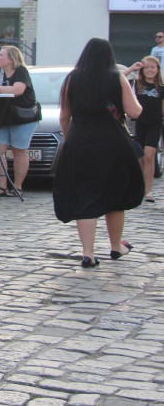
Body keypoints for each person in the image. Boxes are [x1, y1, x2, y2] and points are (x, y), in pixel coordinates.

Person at [54, 37, 143, 268]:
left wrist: (69, 137)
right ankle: (116, 247)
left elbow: (65, 115)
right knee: (116, 197)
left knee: (86, 195)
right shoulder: (117, 77)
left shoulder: (71, 80)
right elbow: (134, 111)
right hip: (114, 144)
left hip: (81, 142)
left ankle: (88, 253)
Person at [0, 45, 38, 197]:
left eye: (1, 55)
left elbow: (17, 90)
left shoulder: (21, 71)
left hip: (21, 118)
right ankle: (2, 186)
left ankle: (18, 186)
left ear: (10, 59)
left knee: (19, 151)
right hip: (2, 117)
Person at [123, 56, 162, 203]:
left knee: (149, 155)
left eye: (153, 67)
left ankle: (148, 190)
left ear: (158, 70)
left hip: (155, 124)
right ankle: (140, 186)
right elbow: (118, 79)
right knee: (141, 158)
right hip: (139, 124)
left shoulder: (161, 87)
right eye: (147, 67)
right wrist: (132, 68)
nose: (150, 70)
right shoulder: (136, 84)